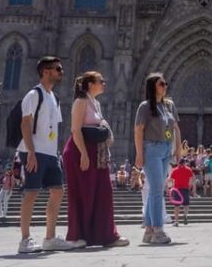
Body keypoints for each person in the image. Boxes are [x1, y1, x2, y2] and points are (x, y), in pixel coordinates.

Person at [16, 56, 77, 253]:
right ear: (45, 71)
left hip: (50, 153)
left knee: (58, 191)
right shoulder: (34, 94)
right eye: (57, 69)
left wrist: (56, 152)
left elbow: (52, 127)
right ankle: (25, 240)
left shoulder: (53, 97)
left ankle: (50, 238)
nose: (61, 72)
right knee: (31, 192)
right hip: (34, 151)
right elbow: (25, 123)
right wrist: (30, 151)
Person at [63, 71, 128, 248]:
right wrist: (83, 154)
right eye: (101, 81)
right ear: (90, 84)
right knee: (83, 193)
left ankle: (107, 235)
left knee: (103, 191)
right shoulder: (80, 101)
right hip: (80, 151)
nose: (104, 83)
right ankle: (78, 236)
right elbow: (75, 130)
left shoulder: (96, 103)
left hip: (97, 153)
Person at [134, 72, 182, 245]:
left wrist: (178, 149)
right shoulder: (145, 106)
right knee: (156, 189)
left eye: (166, 83)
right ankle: (158, 230)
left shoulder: (169, 105)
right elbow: (138, 130)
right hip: (151, 149)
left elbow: (175, 128)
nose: (165, 86)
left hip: (166, 150)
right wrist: (139, 154)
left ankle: (149, 231)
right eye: (162, 84)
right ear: (153, 86)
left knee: (157, 189)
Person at [169, 158, 194, 226]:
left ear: (179, 163)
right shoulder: (188, 169)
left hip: (177, 189)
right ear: (184, 163)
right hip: (186, 188)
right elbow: (192, 179)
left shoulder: (175, 170)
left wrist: (170, 188)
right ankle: (185, 215)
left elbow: (171, 180)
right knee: (186, 204)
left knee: (176, 206)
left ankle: (176, 221)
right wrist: (190, 186)